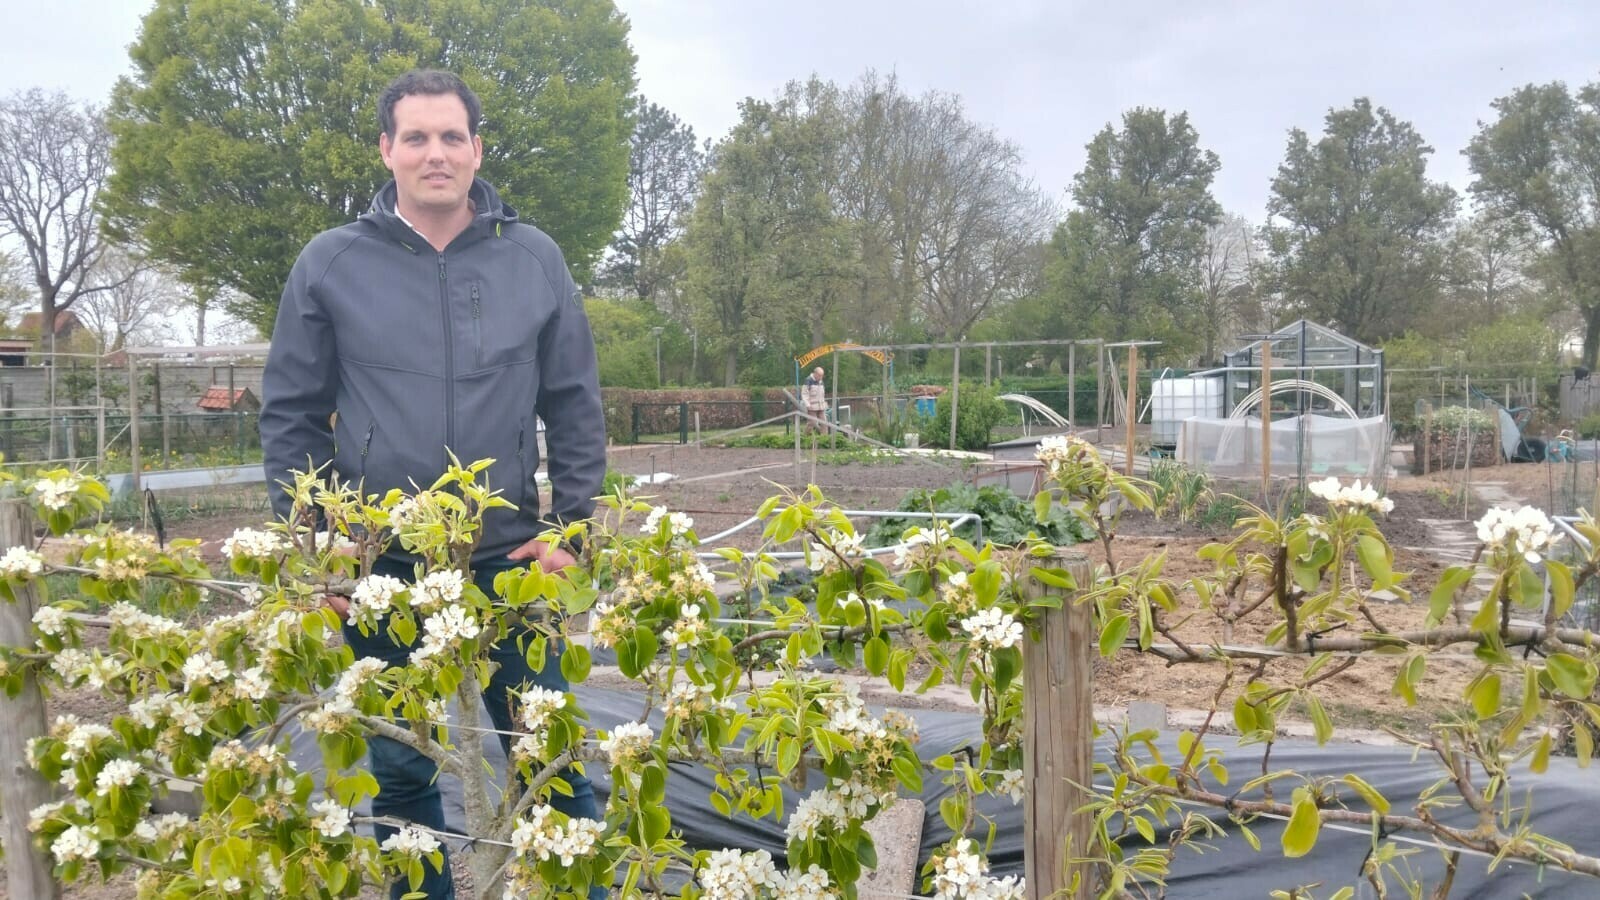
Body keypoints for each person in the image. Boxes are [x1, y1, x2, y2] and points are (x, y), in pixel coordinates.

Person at [260, 70, 607, 900]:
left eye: (452, 136)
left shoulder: (534, 258)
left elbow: (575, 402)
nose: (435, 153)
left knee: (548, 764)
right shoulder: (330, 263)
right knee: (401, 776)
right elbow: (291, 415)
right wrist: (318, 545)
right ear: (386, 151)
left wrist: (576, 527)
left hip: (510, 558)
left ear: (478, 148)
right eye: (415, 137)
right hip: (380, 569)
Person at [801, 366, 828, 434]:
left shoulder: (821, 381)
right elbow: (804, 394)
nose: (821, 377)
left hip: (821, 406)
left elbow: (822, 394)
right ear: (815, 373)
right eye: (819, 375)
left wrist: (824, 403)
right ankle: (804, 437)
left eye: (822, 376)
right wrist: (807, 405)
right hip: (812, 406)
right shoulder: (808, 380)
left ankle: (824, 439)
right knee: (812, 423)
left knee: (824, 422)